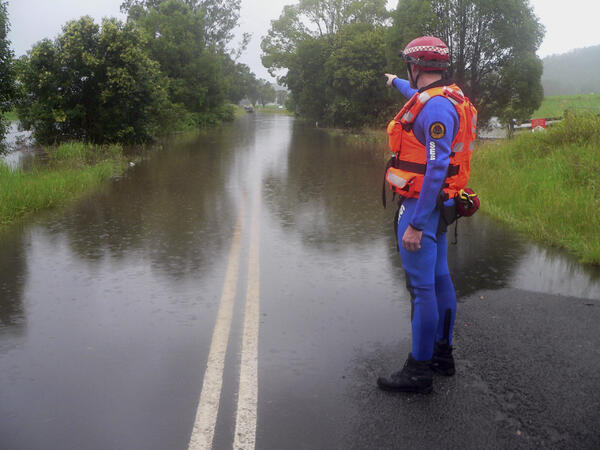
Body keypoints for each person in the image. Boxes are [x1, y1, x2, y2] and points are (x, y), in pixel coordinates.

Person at [377, 36, 477, 393]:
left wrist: (416, 224)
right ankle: (442, 356)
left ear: (416, 65)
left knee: (422, 289)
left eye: (408, 67)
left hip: (422, 206)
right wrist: (395, 82)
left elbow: (435, 168)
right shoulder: (450, 97)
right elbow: (416, 95)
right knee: (439, 278)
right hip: (442, 205)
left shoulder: (435, 110)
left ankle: (418, 371)